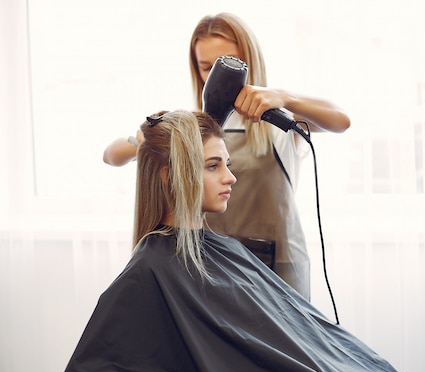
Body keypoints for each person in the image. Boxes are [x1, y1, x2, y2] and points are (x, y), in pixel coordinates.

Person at [54, 110, 425, 372]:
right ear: (171, 176)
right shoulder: (150, 272)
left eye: (227, 164)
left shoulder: (222, 250)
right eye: (213, 166)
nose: (230, 177)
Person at [103, 13, 351, 300]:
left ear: (249, 61)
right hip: (212, 262)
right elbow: (111, 155)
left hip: (277, 265)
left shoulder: (278, 123)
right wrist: (145, 141)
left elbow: (341, 121)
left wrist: (285, 97)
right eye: (206, 67)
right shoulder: (190, 127)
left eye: (227, 64)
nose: (216, 77)